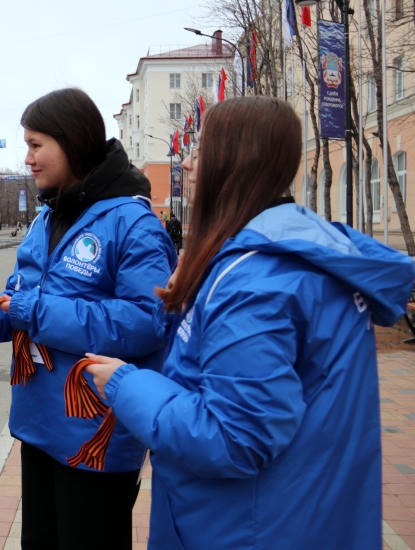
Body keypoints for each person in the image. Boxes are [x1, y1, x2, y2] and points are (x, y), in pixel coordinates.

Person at [84, 96, 415, 550]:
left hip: (248, 528)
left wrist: (125, 384)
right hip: (308, 517)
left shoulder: (256, 282)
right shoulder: (295, 257)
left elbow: (234, 437)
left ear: (233, 163)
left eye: (200, 152)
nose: (188, 165)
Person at [0, 88, 176, 549]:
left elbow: (145, 322)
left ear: (72, 143)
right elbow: (14, 311)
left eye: (36, 145)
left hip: (95, 438)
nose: (28, 158)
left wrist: (39, 311)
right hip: (38, 428)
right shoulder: (45, 221)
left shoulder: (133, 224)